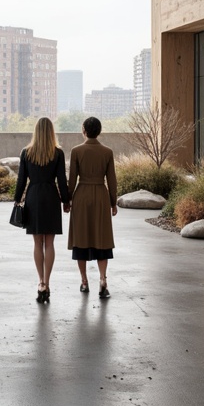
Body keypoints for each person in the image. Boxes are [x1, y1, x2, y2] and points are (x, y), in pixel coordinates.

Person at [13, 116, 70, 303]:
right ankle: (48, 281)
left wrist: (16, 200)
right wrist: (66, 201)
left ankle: (41, 283)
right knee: (50, 243)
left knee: (37, 243)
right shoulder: (58, 153)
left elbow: (21, 180)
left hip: (34, 197)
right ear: (51, 131)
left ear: (36, 131)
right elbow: (61, 180)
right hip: (51, 197)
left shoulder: (26, 152)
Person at [67, 116, 117, 298]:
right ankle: (103, 279)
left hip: (81, 196)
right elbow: (112, 180)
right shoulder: (107, 152)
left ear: (84, 130)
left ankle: (84, 281)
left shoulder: (76, 151)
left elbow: (71, 179)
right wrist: (113, 202)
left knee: (81, 239)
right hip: (101, 197)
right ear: (99, 131)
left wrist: (67, 200)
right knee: (101, 239)